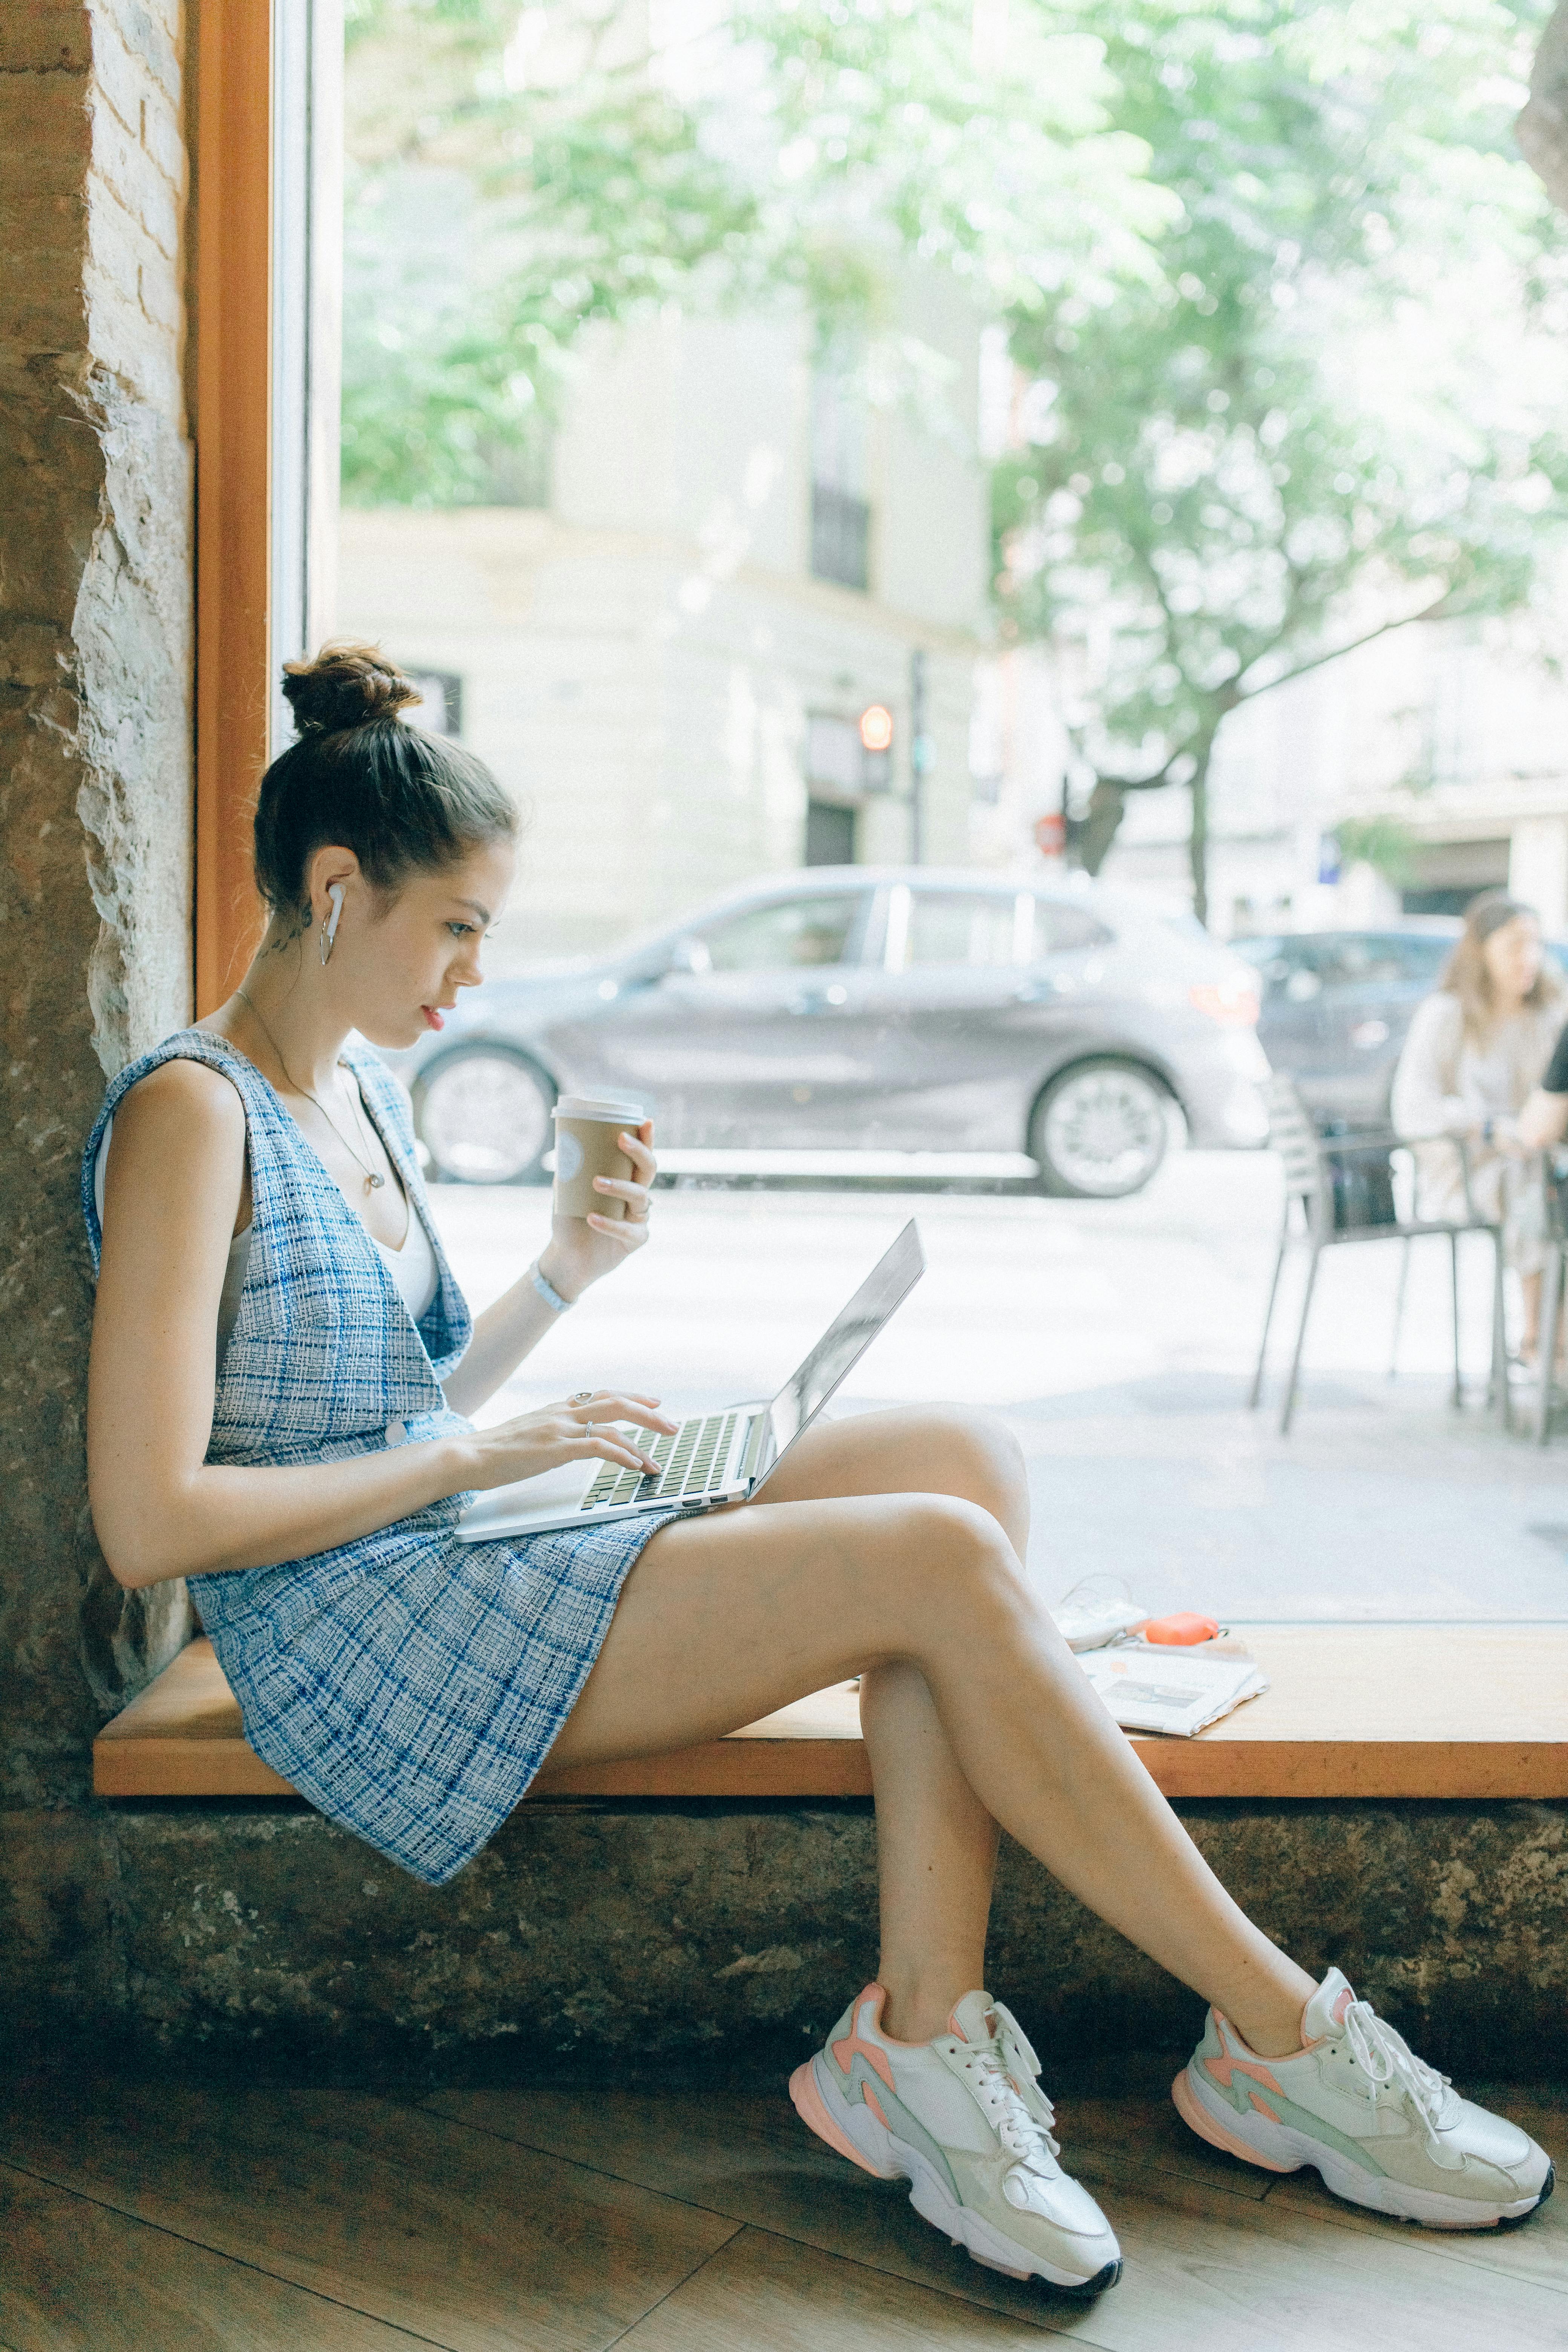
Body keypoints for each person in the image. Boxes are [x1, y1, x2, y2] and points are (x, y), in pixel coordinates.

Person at [84, 645, 1553, 2294]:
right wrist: (481, 1456)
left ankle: (924, 2040)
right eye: (460, 928)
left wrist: (564, 1281)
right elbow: (152, 1523)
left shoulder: (359, 1095)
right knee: (929, 1557)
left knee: (959, 1464)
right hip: (354, 1642)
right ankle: (1283, 2037)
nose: (475, 978)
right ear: (338, 890)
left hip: (441, 1545)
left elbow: (382, 1402)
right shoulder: (192, 1116)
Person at [1391, 891, 1566, 1360]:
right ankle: (1541, 1338)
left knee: (1550, 1182)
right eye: (1513, 945)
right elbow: (1412, 1108)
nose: (1527, 958)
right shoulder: (1446, 1015)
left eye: (1534, 944)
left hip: (1538, 1162)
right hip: (1470, 1169)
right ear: (1480, 951)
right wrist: (1487, 1129)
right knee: (1540, 1188)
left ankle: (1553, 1332)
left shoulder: (1549, 1016)